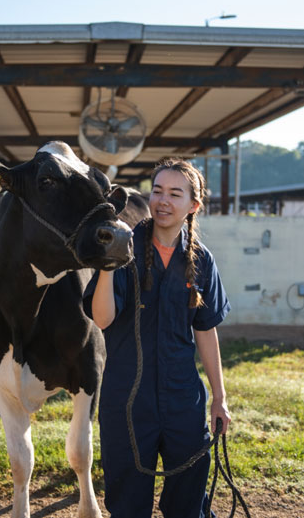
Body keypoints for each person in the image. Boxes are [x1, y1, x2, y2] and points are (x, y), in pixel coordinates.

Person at [83, 158, 231, 518]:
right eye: (158, 191)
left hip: (184, 401)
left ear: (193, 206)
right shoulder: (125, 246)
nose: (162, 200)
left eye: (175, 194)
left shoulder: (201, 260)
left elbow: (205, 329)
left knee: (188, 503)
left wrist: (220, 399)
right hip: (127, 403)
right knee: (129, 504)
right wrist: (107, 263)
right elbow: (102, 319)